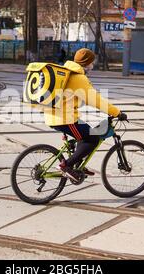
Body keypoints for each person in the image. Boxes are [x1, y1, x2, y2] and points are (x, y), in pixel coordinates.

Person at [44, 48, 128, 183]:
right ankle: (66, 166)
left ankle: (78, 166)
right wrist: (117, 112)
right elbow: (95, 100)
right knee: (92, 139)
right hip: (64, 119)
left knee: (85, 133)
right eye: (91, 63)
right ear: (87, 63)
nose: (92, 66)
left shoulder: (68, 72)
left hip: (56, 116)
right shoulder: (78, 77)